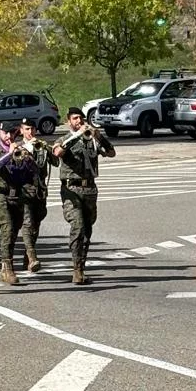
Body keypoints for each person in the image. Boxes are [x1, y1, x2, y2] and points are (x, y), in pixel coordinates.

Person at [52, 108, 115, 285]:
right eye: (75, 118)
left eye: (81, 118)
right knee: (78, 227)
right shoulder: (64, 139)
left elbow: (111, 153)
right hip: (71, 189)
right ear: (69, 121)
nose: (79, 121)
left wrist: (98, 136)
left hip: (90, 189)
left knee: (87, 230)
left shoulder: (91, 139)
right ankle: (76, 269)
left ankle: (81, 267)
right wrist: (76, 135)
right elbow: (57, 153)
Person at [0, 125, 36, 286]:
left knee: (13, 232)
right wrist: (9, 153)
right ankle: (8, 268)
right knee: (6, 229)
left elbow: (32, 171)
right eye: (4, 132)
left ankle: (4, 267)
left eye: (10, 133)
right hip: (0, 196)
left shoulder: (20, 150)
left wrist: (28, 156)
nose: (8, 136)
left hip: (17, 196)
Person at [19, 120, 51, 274]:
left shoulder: (41, 146)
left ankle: (27, 254)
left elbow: (56, 162)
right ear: (21, 131)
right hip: (24, 191)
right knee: (27, 223)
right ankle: (32, 257)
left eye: (32, 129)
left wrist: (46, 148)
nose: (30, 132)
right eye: (26, 129)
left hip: (39, 190)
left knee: (36, 224)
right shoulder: (18, 148)